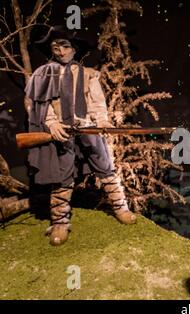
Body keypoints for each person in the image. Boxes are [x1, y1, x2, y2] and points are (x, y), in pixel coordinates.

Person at [25, 26, 136, 246]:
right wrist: (51, 123)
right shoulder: (44, 74)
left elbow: (96, 102)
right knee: (62, 174)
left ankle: (121, 207)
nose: (60, 51)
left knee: (104, 166)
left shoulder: (88, 75)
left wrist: (102, 121)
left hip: (87, 127)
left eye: (65, 46)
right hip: (61, 131)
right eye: (56, 47)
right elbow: (38, 104)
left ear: (74, 48)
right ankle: (60, 221)